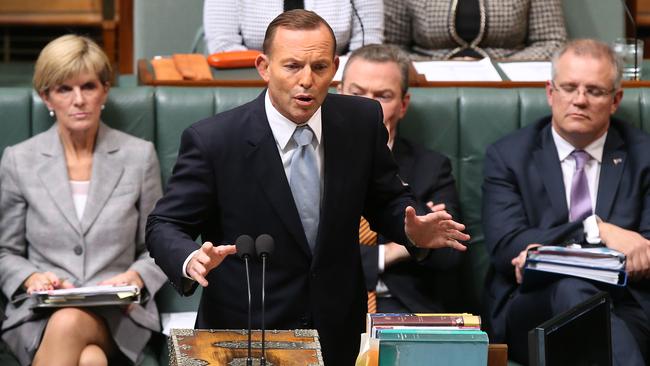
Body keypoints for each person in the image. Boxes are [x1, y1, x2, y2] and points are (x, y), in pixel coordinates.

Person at [146, 9, 469, 366]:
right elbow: (165, 225)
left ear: (334, 68)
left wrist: (410, 229)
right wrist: (191, 258)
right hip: (246, 336)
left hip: (336, 331)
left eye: (318, 68)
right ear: (264, 67)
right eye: (292, 66)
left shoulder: (360, 122)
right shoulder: (215, 141)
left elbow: (387, 200)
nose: (306, 80)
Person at [0, 35, 166, 366]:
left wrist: (135, 277)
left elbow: (158, 246)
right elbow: (5, 251)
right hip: (40, 312)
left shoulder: (138, 156)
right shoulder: (20, 160)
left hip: (118, 312)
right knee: (91, 360)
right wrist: (31, 277)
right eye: (64, 89)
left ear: (104, 90)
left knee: (70, 322)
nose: (78, 100)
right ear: (46, 97)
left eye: (88, 86)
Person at [482, 39, 650, 365]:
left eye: (595, 91)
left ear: (616, 99)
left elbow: (644, 252)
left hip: (625, 304)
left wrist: (547, 249)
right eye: (569, 87)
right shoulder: (509, 156)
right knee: (572, 290)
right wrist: (595, 230)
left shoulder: (644, 156)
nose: (580, 100)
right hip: (533, 307)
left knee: (592, 318)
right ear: (550, 92)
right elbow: (507, 246)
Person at [338, 44, 462, 313]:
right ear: (338, 94)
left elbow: (450, 253)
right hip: (331, 306)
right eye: (356, 93)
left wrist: (422, 235)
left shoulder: (432, 167)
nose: (367, 105)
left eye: (383, 96)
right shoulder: (312, 157)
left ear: (403, 105)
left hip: (405, 308)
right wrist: (394, 250)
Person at [384, 0, 566, 60]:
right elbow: (391, 46)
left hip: (508, 84)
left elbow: (551, 41)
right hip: (427, 83)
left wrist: (500, 66)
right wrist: (428, 68)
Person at [203, 0, 383, 55]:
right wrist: (280, 71)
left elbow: (367, 50)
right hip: (254, 84)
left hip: (334, 83)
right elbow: (223, 47)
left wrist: (324, 70)